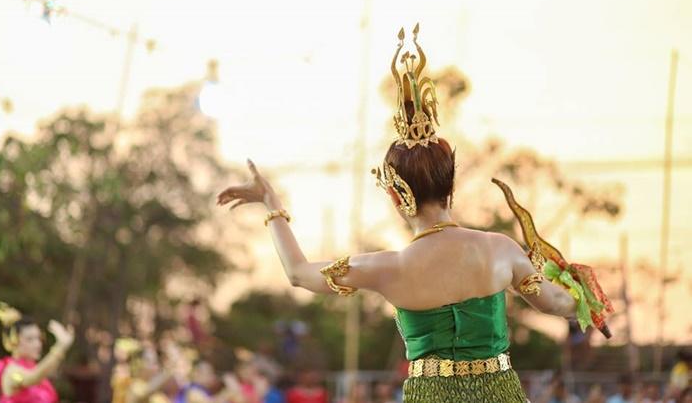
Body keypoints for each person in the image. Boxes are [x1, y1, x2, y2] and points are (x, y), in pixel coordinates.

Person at [217, 24, 584, 403]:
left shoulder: (389, 268)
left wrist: (272, 204)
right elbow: (557, 303)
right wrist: (588, 302)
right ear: (450, 184)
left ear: (397, 195)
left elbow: (298, 273)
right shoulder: (499, 249)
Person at [0, 302, 74, 403]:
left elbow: (41, 372)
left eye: (39, 338)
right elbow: (31, 377)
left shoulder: (34, 369)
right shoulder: (11, 372)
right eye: (30, 339)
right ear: (12, 341)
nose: (38, 344)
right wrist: (60, 346)